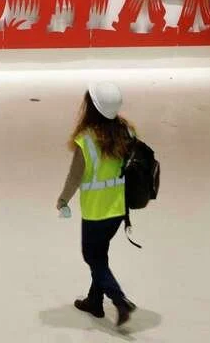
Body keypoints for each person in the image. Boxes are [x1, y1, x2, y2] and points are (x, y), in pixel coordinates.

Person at [56, 82, 137, 327]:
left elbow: (74, 177)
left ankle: (119, 299)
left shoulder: (86, 140)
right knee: (100, 253)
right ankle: (94, 302)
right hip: (118, 209)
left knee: (92, 256)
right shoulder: (127, 132)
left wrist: (62, 200)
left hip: (95, 212)